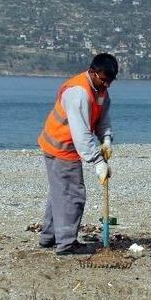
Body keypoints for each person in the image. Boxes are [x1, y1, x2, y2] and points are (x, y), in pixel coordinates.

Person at [37, 53, 117, 255]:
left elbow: (102, 118)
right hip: (62, 146)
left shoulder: (100, 89)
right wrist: (98, 161)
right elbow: (81, 134)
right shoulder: (79, 93)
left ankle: (49, 236)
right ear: (93, 72)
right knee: (72, 194)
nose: (107, 85)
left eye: (110, 81)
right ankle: (66, 243)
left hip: (59, 143)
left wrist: (106, 139)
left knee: (59, 191)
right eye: (104, 80)